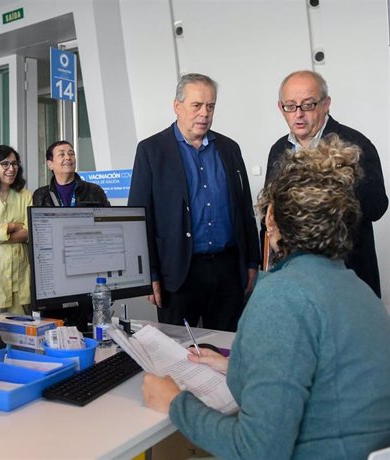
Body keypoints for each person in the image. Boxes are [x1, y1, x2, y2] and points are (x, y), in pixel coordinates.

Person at [142, 135, 390, 459]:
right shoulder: (356, 288)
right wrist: (233, 367)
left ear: (271, 219)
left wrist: (176, 404)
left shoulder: (281, 296)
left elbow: (258, 450)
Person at [128, 73, 260, 332]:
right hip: (177, 273)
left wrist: (251, 261)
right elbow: (141, 217)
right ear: (177, 106)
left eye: (210, 106)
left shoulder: (230, 148)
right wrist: (149, 274)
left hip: (228, 271)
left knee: (227, 350)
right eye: (196, 105)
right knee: (179, 352)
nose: (204, 113)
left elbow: (245, 209)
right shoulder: (151, 151)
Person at [266, 70, 387, 297]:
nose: (298, 114)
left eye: (308, 105)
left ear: (326, 104)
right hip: (296, 277)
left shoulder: (355, 144)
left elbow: (377, 206)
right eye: (290, 106)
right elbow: (270, 213)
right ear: (280, 108)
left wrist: (335, 178)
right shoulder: (278, 150)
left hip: (347, 274)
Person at [0, 145, 32, 314]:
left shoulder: (25, 195)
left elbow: (29, 231)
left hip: (20, 277)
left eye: (14, 164)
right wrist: (11, 226)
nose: (11, 169)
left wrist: (0, 234)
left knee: (20, 333)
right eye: (5, 164)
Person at [32, 140, 110, 207]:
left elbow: (107, 219)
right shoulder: (40, 195)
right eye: (62, 154)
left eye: (71, 154)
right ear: (50, 164)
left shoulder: (94, 191)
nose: (68, 158)